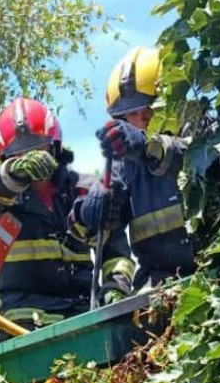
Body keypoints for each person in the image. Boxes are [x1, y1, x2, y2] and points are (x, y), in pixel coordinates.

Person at [0, 97, 134, 333]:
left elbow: (115, 250)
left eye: (39, 150)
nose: (31, 158)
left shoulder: (84, 190)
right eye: (20, 155)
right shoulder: (1, 201)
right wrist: (12, 174)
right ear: (6, 160)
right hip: (22, 322)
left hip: (84, 315)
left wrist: (116, 287)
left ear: (55, 146)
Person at [74, 47, 195, 290]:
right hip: (158, 280)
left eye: (149, 107)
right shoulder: (124, 162)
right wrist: (92, 209)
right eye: (130, 113)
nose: (141, 118)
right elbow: (112, 233)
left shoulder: (198, 130)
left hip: (212, 263)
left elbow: (191, 159)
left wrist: (147, 146)